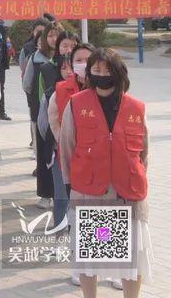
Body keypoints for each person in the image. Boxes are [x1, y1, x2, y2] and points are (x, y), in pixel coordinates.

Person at [59, 48, 151, 298]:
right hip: (90, 191)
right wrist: (72, 185)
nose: (101, 75)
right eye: (95, 70)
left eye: (106, 70)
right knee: (91, 256)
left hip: (126, 192)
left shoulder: (135, 107)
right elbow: (67, 146)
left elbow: (143, 151)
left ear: (118, 72)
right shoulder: (77, 104)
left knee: (132, 257)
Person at [44, 42, 93, 234]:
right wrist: (67, 145)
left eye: (88, 60)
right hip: (66, 154)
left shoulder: (107, 90)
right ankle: (59, 237)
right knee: (63, 197)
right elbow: (52, 120)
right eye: (78, 60)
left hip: (97, 158)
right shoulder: (61, 89)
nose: (84, 64)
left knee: (94, 201)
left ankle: (94, 243)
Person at [23, 22, 62, 209]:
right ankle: (46, 195)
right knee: (44, 155)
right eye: (50, 35)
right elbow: (27, 85)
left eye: (57, 35)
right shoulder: (35, 59)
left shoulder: (68, 60)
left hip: (64, 115)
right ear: (44, 38)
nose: (54, 39)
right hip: (42, 114)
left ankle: (62, 194)